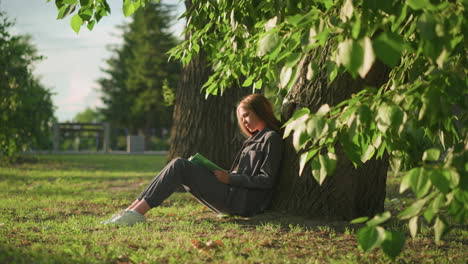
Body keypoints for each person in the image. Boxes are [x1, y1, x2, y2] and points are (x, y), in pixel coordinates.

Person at [103, 94, 283, 226]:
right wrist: (222, 174)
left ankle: (136, 214)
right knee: (178, 164)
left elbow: (266, 180)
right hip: (232, 194)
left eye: (247, 115)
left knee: (180, 165)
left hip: (242, 202)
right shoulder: (252, 140)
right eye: (241, 118)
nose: (244, 122)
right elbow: (241, 173)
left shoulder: (271, 138)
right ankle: (130, 211)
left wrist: (230, 178)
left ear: (261, 111)